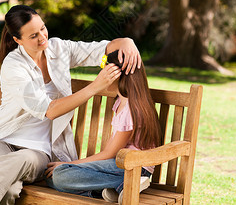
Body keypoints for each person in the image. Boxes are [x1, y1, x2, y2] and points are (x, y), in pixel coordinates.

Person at [0, 5, 142, 205]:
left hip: (38, 152)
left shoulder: (58, 49)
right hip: (0, 142)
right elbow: (50, 110)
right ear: (17, 40)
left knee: (19, 162)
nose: (42, 37)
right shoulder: (14, 66)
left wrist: (127, 41)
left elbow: (101, 49)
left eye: (43, 28)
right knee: (9, 190)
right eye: (33, 36)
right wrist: (94, 88)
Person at [45, 50, 163, 204]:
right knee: (52, 178)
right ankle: (110, 190)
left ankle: (126, 184)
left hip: (133, 167)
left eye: (104, 71)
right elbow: (109, 154)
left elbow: (109, 153)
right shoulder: (122, 102)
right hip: (118, 165)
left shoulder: (131, 110)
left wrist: (69, 165)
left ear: (117, 75)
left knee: (60, 174)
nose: (101, 75)